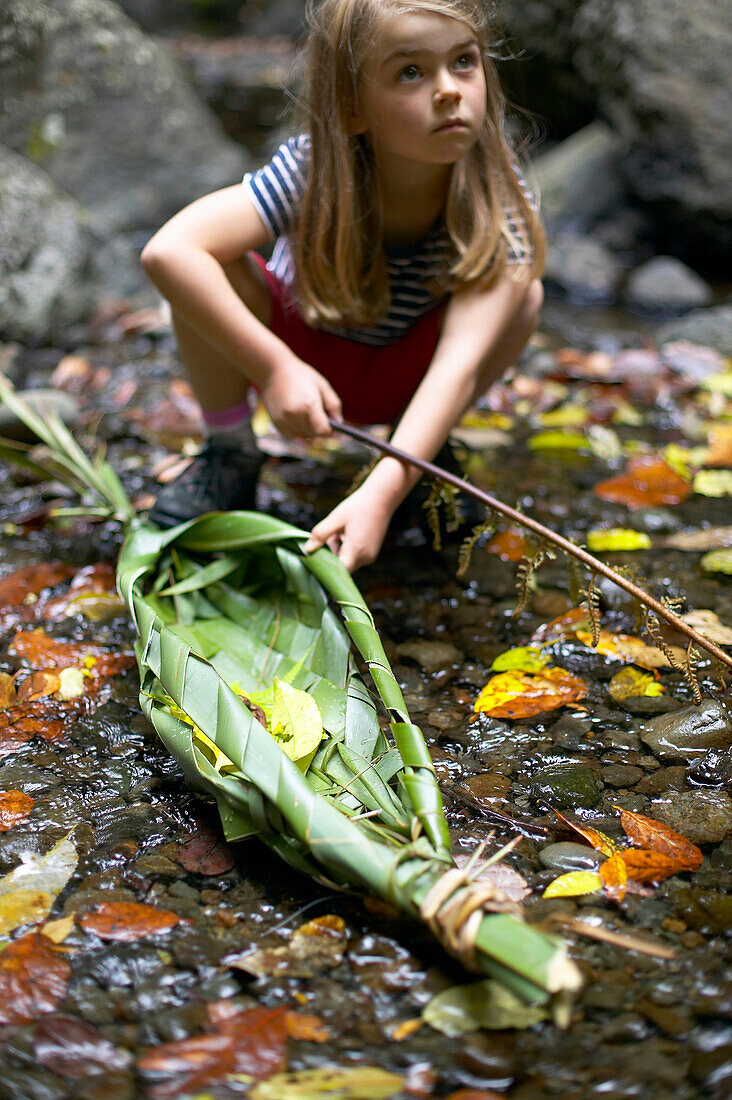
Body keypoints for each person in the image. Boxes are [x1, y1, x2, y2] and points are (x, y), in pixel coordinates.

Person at [141, 0, 544, 572]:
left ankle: (416, 459)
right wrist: (276, 369)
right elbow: (168, 250)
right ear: (354, 108)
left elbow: (458, 367)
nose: (449, 90)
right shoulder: (313, 172)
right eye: (411, 72)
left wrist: (379, 499)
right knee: (212, 265)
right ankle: (228, 453)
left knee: (524, 297)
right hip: (302, 364)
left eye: (463, 62)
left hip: (413, 382)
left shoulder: (498, 203)